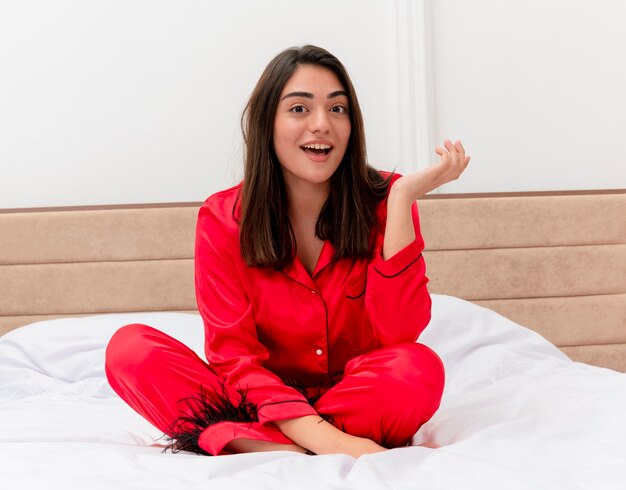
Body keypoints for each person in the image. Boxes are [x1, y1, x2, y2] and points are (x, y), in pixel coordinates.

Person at [105, 44, 470, 458]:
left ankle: (253, 443)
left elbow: (399, 334)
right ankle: (313, 445)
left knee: (418, 368)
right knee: (130, 349)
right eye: (299, 109)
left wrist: (403, 198)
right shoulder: (223, 218)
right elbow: (235, 359)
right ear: (268, 123)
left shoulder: (388, 200)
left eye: (338, 109)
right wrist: (326, 438)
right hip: (257, 401)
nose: (322, 124)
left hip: (355, 400)